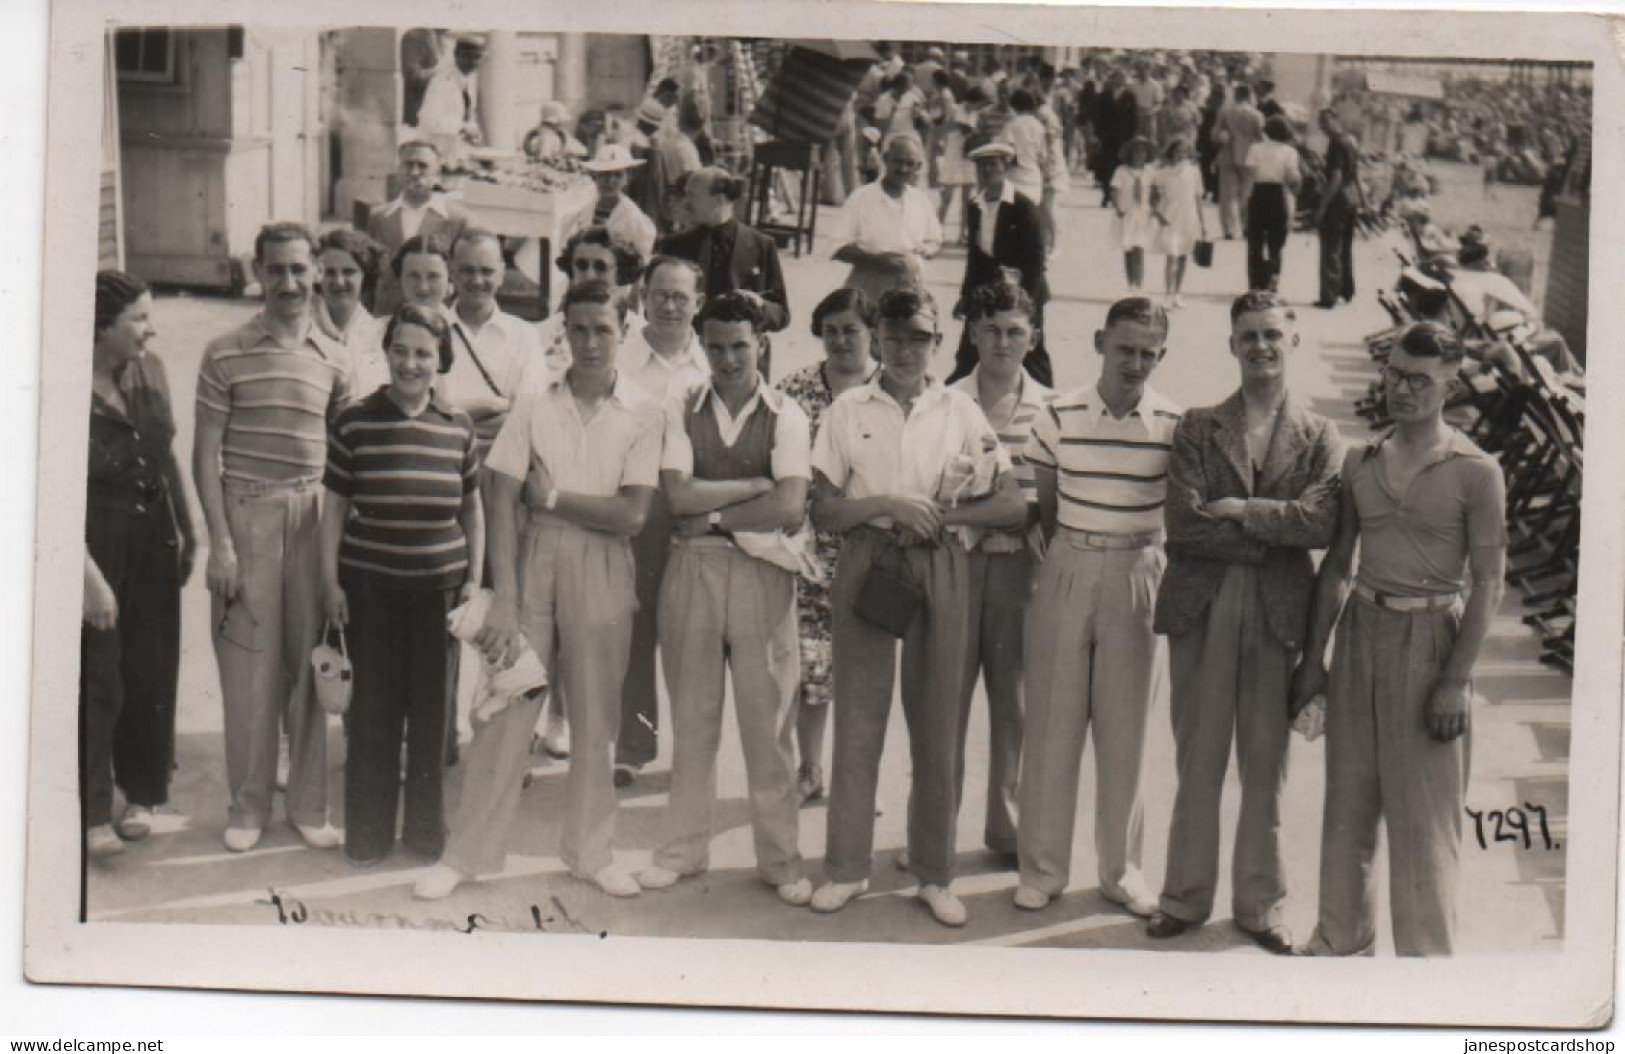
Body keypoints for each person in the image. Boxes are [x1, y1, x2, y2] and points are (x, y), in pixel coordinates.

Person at [413, 279, 663, 902]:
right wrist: (503, 592)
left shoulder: (645, 410)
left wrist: (551, 497)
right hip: (533, 562)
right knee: (504, 706)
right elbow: (501, 494)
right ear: (562, 332)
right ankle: (465, 855)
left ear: (623, 331)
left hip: (604, 566)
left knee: (596, 716)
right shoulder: (534, 402)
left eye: (602, 329)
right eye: (578, 329)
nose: (590, 342)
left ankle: (591, 851)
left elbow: (632, 515)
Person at [808, 287, 1028, 928]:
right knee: (859, 720)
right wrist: (888, 506)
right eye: (895, 336)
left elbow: (1012, 503)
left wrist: (940, 515)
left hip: (939, 561)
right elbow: (823, 509)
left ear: (938, 342)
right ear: (876, 337)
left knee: (938, 721)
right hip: (869, 561)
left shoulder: (958, 410)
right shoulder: (849, 408)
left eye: (920, 338)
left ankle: (935, 874)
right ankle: (846, 869)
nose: (907, 350)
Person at [1295, 322, 1508, 958]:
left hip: (1431, 638)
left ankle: (1427, 966)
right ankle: (1340, 937)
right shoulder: (1360, 459)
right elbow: (1337, 564)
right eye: (1393, 374)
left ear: (1450, 384)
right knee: (1348, 803)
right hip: (1362, 630)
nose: (1401, 389)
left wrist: (1455, 681)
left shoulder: (1478, 472)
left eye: (1419, 379)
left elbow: (1490, 583)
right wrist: (1314, 660)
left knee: (1425, 822)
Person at [1146, 292, 1342, 954]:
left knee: (1266, 765)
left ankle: (1261, 906)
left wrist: (1238, 509)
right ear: (1231, 345)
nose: (1260, 345)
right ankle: (1182, 896)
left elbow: (1318, 523)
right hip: (1202, 606)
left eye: (1271, 334)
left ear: (1293, 342)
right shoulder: (1198, 427)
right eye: (1247, 335)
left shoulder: (1319, 436)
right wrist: (1267, 529)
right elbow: (1183, 524)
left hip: (1278, 613)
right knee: (1197, 756)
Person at [635, 292, 814, 905]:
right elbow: (677, 496)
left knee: (769, 729)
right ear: (701, 346)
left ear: (761, 342)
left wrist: (714, 519)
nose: (729, 358)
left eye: (740, 344)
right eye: (716, 346)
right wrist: (753, 488)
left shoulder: (787, 413)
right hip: (693, 575)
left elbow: (790, 507)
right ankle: (682, 851)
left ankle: (782, 861)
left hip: (764, 574)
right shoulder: (680, 405)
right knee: (693, 722)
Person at [1011, 297, 1180, 917]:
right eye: (1124, 347)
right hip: (1068, 564)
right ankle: (1043, 869)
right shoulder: (1057, 415)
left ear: (1161, 354)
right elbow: (1049, 505)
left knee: (1125, 729)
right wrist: (1074, 556)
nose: (1134, 361)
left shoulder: (1173, 424)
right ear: (1099, 342)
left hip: (1139, 573)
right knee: (1054, 723)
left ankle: (1120, 871)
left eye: (1147, 351)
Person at [193, 222, 350, 853]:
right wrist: (221, 544)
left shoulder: (335, 357)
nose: (289, 282)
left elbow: (344, 458)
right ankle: (249, 804)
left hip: (314, 518)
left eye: (298, 269)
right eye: (276, 270)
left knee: (313, 666)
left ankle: (308, 805)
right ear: (258, 274)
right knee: (250, 674)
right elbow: (206, 457)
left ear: (315, 272)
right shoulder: (223, 351)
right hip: (249, 515)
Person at [319, 305, 484, 867]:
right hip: (371, 590)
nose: (411, 363)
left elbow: (473, 510)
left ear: (440, 360)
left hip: (438, 594)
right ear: (386, 353)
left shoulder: (457, 426)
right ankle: (366, 834)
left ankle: (423, 834)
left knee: (431, 716)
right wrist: (330, 582)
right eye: (401, 350)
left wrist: (474, 582)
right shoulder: (356, 421)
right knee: (372, 714)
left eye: (423, 353)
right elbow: (335, 507)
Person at [82, 271, 198, 857]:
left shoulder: (152, 370)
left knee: (151, 665)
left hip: (154, 534)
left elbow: (167, 451)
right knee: (100, 676)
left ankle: (144, 793)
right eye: (139, 320)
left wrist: (186, 525)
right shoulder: (66, 383)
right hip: (96, 540)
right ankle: (93, 809)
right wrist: (88, 577)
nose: (151, 329)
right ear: (102, 326)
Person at [949, 282, 1054, 863]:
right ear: (970, 332)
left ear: (1033, 336)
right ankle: (934, 828)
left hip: (1022, 572)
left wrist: (1015, 516)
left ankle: (1008, 828)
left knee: (1014, 702)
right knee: (947, 698)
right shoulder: (947, 400)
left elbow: (1045, 502)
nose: (1001, 341)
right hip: (959, 567)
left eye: (1015, 330)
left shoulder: (1051, 409)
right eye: (989, 329)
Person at [609, 255, 714, 789]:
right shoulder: (620, 358)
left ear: (698, 302)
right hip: (640, 507)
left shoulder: (713, 360)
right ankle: (635, 742)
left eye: (682, 296)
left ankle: (693, 750)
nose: (671, 306)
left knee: (694, 637)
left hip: (697, 510)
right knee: (637, 628)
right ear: (642, 297)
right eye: (660, 295)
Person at [775, 288, 882, 805]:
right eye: (831, 330)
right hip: (810, 553)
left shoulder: (893, 388)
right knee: (812, 668)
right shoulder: (794, 389)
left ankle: (859, 777)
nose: (841, 340)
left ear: (873, 334)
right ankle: (810, 768)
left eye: (852, 330)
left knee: (867, 669)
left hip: (875, 549)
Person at [659, 167, 791, 378]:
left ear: (718, 199)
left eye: (692, 195)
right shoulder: (675, 247)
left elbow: (781, 315)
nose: (685, 203)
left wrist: (759, 305)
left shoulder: (761, 245)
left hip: (743, 364)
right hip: (688, 361)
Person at [948, 141, 1051, 387]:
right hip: (986, 291)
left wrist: (1029, 303)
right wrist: (965, 296)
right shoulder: (975, 206)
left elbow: (1036, 258)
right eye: (982, 166)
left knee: (1029, 351)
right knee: (971, 347)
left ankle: (1046, 401)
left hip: (1024, 290)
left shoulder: (1023, 206)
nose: (987, 172)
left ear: (1005, 167)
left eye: (993, 165)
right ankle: (958, 395)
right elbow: (975, 257)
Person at [831, 135, 943, 302]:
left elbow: (934, 241)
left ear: (918, 166)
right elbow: (836, 247)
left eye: (910, 164)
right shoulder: (862, 197)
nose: (903, 169)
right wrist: (874, 260)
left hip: (909, 284)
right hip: (868, 280)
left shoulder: (920, 200)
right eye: (898, 162)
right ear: (885, 159)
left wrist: (923, 252)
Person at [366, 141, 470, 316]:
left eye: (422, 166)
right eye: (408, 165)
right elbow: (369, 274)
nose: (414, 172)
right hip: (388, 313)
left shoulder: (456, 219)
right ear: (399, 171)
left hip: (436, 316)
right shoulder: (379, 217)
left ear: (437, 173)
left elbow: (463, 275)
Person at [535, 227, 645, 372]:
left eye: (600, 267)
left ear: (620, 273)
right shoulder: (541, 334)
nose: (590, 276)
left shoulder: (642, 336)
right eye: (581, 266)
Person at [313, 228, 388, 396]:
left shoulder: (382, 334)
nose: (339, 282)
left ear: (366, 275)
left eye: (348, 272)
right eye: (329, 273)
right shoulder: (304, 331)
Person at [564, 143, 659, 266]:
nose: (610, 181)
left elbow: (642, 262)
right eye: (604, 174)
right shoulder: (583, 210)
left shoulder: (635, 219)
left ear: (627, 178)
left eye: (618, 175)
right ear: (595, 176)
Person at [1241, 115, 1303, 294]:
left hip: (1259, 193)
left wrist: (1244, 203)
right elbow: (1293, 178)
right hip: (1278, 194)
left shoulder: (1255, 149)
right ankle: (1273, 279)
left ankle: (1255, 283)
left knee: (1255, 241)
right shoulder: (1290, 152)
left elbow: (1249, 177)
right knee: (1276, 242)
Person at [1314, 108, 1367, 309]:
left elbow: (1336, 177)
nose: (1323, 127)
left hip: (1338, 200)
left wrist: (1321, 207)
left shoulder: (1336, 144)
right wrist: (1364, 201)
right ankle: (1346, 289)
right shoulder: (1351, 141)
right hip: (1351, 197)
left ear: (1336, 120)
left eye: (1326, 122)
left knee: (1331, 248)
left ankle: (1329, 296)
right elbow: (1356, 173)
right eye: (1321, 124)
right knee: (1345, 246)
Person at [1151, 137, 1207, 308]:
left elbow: (1198, 198)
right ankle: (1168, 293)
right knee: (1172, 255)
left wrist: (1203, 224)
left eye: (1184, 152)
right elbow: (1153, 197)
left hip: (1188, 217)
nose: (1180, 155)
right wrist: (1158, 214)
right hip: (1170, 217)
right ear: (1171, 153)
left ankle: (1177, 293)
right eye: (1177, 151)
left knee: (1183, 256)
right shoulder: (1162, 173)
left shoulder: (1194, 172)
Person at [1215, 85, 1265, 241]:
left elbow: (1216, 134)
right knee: (1247, 193)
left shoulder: (1225, 111)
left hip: (1228, 154)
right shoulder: (1256, 114)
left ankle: (1228, 230)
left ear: (1235, 95)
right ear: (1249, 96)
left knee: (1227, 195)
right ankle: (1245, 227)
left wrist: (1223, 137)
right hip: (1250, 157)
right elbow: (1260, 137)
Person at [1113, 137, 1159, 293]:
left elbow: (1155, 192)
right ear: (1130, 154)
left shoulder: (1150, 172)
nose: (1139, 155)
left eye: (1142, 151)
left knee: (1139, 249)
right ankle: (1130, 283)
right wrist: (1118, 207)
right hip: (1127, 213)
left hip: (1143, 214)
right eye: (1136, 151)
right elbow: (1114, 190)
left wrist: (1155, 208)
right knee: (1128, 250)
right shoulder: (1121, 171)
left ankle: (1138, 285)